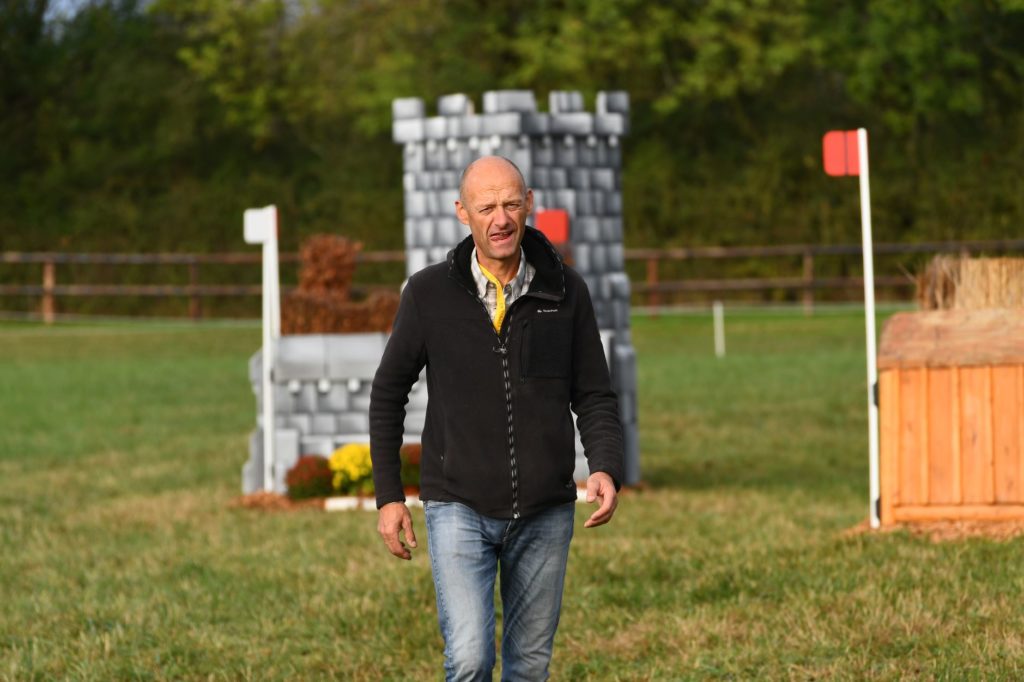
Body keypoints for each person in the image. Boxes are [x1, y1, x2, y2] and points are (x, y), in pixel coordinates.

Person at [369, 155, 624, 681]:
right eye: (487, 207)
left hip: (546, 509)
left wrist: (605, 465)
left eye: (511, 203)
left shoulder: (566, 291)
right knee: (468, 658)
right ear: (463, 213)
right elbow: (388, 393)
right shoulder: (427, 294)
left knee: (529, 666)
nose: (501, 218)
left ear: (529, 204)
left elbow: (594, 392)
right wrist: (390, 495)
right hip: (457, 503)